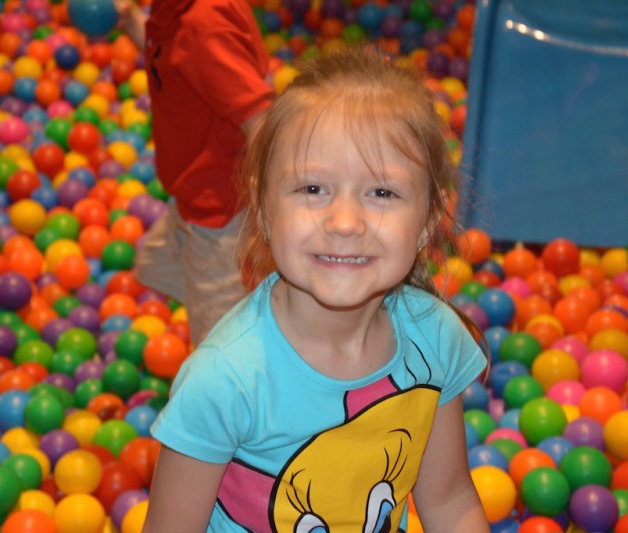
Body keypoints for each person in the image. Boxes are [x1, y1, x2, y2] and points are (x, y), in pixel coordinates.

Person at [142, 48, 490, 532]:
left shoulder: (434, 339)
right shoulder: (226, 380)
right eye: (312, 189)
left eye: (382, 193)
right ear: (264, 208)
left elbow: (449, 500)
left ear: (429, 219)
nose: (345, 222)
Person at [114, 0, 274, 344]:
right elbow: (173, 58)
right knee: (155, 268)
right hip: (193, 191)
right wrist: (133, 24)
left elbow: (260, 120)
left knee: (219, 342)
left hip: (220, 213)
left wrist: (274, 204)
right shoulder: (173, 13)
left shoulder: (201, 25)